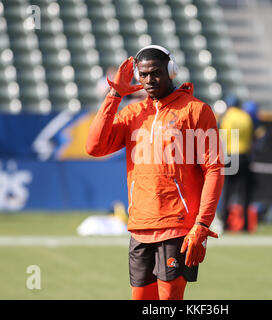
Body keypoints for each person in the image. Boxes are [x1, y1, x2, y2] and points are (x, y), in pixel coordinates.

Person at [85, 45, 224, 300]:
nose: (149, 80)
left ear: (171, 71)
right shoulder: (132, 113)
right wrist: (114, 94)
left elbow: (214, 169)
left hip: (178, 228)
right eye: (144, 74)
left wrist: (202, 224)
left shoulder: (196, 111)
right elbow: (94, 147)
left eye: (156, 73)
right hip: (140, 226)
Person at [219, 100, 254, 231]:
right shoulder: (246, 117)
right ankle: (245, 225)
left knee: (227, 191)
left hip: (230, 155)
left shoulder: (227, 117)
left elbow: (223, 137)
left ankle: (224, 223)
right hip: (244, 155)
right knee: (244, 192)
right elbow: (250, 137)